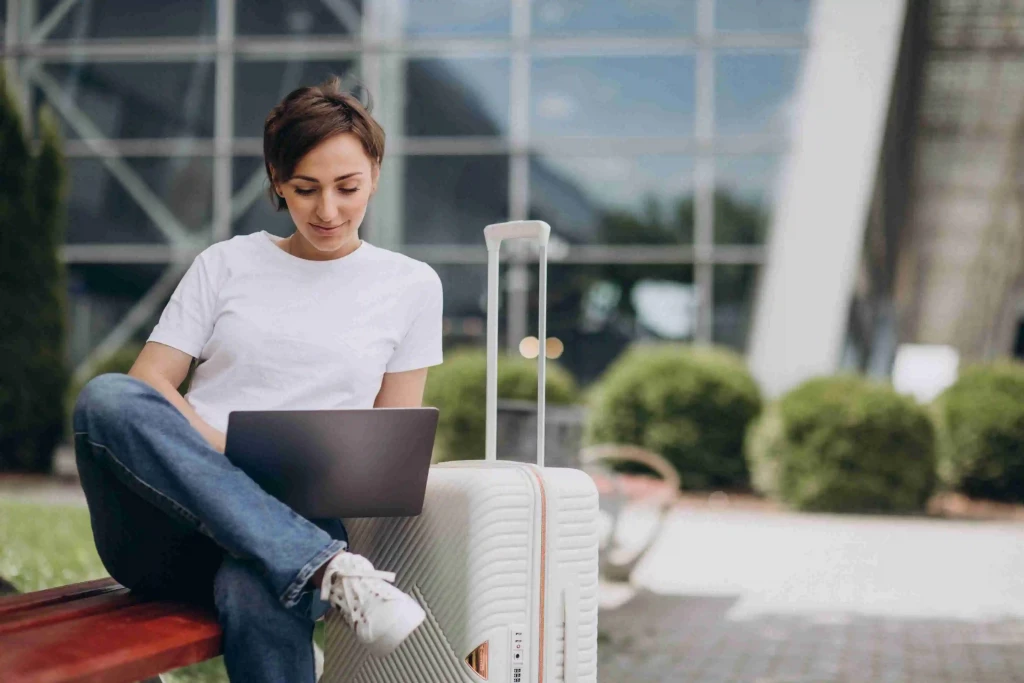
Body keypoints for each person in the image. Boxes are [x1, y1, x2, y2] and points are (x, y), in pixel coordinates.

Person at [72, 77, 443, 682]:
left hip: (297, 518)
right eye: (305, 189)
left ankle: (309, 563)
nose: (328, 210)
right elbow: (150, 385)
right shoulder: (225, 264)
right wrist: (225, 454)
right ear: (276, 180)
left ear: (375, 171)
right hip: (170, 527)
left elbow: (388, 442)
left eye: (347, 188)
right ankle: (328, 571)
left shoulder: (412, 286)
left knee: (260, 587)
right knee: (107, 397)